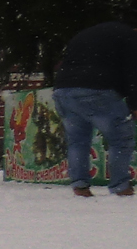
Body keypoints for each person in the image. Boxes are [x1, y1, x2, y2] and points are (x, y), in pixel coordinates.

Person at [49, 18, 137, 197]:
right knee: (121, 139)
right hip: (97, 90)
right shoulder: (129, 37)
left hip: (63, 90)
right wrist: (134, 105)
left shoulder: (85, 34)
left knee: (77, 141)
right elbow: (133, 72)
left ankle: (80, 185)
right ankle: (121, 186)